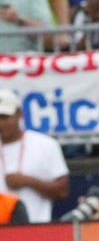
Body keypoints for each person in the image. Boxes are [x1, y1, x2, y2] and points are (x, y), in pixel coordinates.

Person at [0, 89, 69, 223]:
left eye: (5, 117)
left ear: (19, 114)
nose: (1, 123)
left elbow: (62, 191)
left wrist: (30, 181)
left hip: (37, 228)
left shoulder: (46, 144)